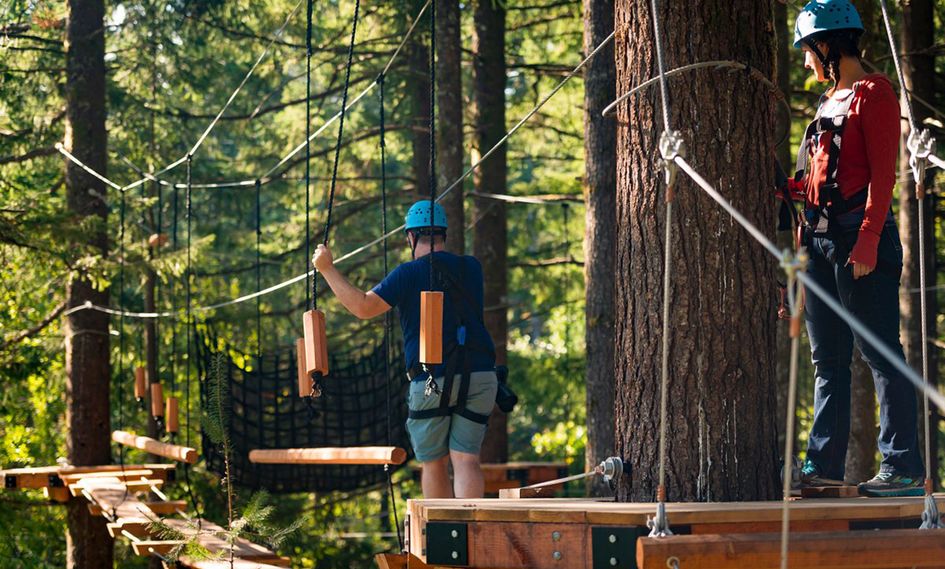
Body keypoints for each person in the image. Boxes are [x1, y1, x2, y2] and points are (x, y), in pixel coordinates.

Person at [787, 0, 924, 496]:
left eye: (809, 50)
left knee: (881, 352)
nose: (806, 61)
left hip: (860, 243)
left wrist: (867, 240)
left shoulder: (875, 93)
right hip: (820, 245)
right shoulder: (829, 100)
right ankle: (822, 466)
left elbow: (883, 177)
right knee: (828, 361)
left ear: (831, 43)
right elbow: (823, 179)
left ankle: (904, 467)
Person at [311, 200, 498, 498]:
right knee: (466, 459)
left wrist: (327, 269)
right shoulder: (471, 268)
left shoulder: (407, 273)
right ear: (444, 235)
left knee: (434, 464)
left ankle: (442, 535)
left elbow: (363, 306)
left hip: (431, 379)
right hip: (481, 377)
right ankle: (469, 535)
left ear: (410, 237)